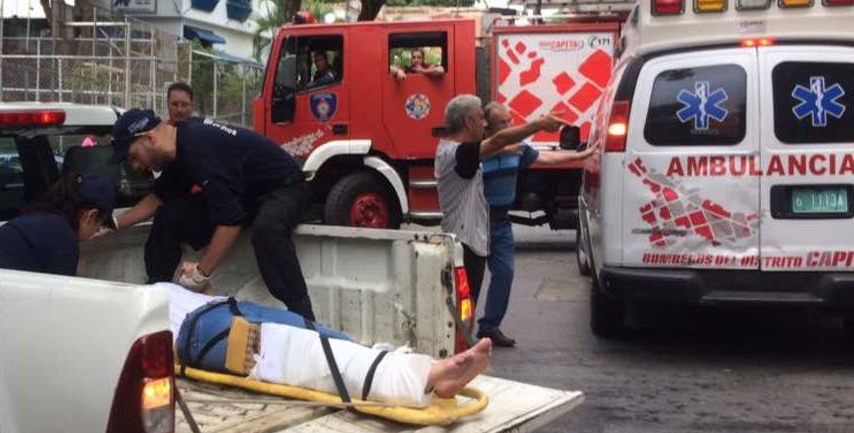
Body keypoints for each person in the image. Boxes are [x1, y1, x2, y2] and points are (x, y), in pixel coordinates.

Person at [111, 109, 316, 319]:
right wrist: (111, 223)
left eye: (133, 157)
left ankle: (304, 317)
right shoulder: (178, 145)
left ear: (150, 139)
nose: (136, 166)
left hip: (284, 188)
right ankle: (158, 295)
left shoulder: (198, 147)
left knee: (267, 229)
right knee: (169, 214)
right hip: (244, 195)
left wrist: (201, 273)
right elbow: (157, 200)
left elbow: (230, 221)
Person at [166, 284, 493, 405]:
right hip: (197, 332)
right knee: (294, 353)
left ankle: (417, 373)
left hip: (225, 306)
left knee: (325, 337)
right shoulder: (125, 305)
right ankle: (426, 377)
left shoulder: (152, 288)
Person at [477, 103, 596, 347]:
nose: (509, 126)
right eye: (504, 123)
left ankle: (489, 327)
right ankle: (459, 327)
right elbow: (497, 145)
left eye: (511, 121)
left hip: (500, 223)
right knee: (470, 279)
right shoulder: (477, 150)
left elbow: (547, 158)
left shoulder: (517, 150)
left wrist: (580, 155)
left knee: (505, 274)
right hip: (475, 223)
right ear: (486, 127)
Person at [433, 94, 562, 307]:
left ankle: (467, 338)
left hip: (469, 240)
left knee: (465, 304)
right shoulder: (458, 153)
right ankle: (463, 340)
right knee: (462, 305)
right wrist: (538, 124)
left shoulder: (456, 150)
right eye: (481, 118)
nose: (484, 124)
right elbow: (498, 140)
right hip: (465, 244)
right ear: (469, 122)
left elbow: (497, 145)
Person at [0, 173, 116, 274]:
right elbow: (57, 299)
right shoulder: (63, 239)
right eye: (100, 224)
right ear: (90, 215)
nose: (98, 231)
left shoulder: (38, 219)